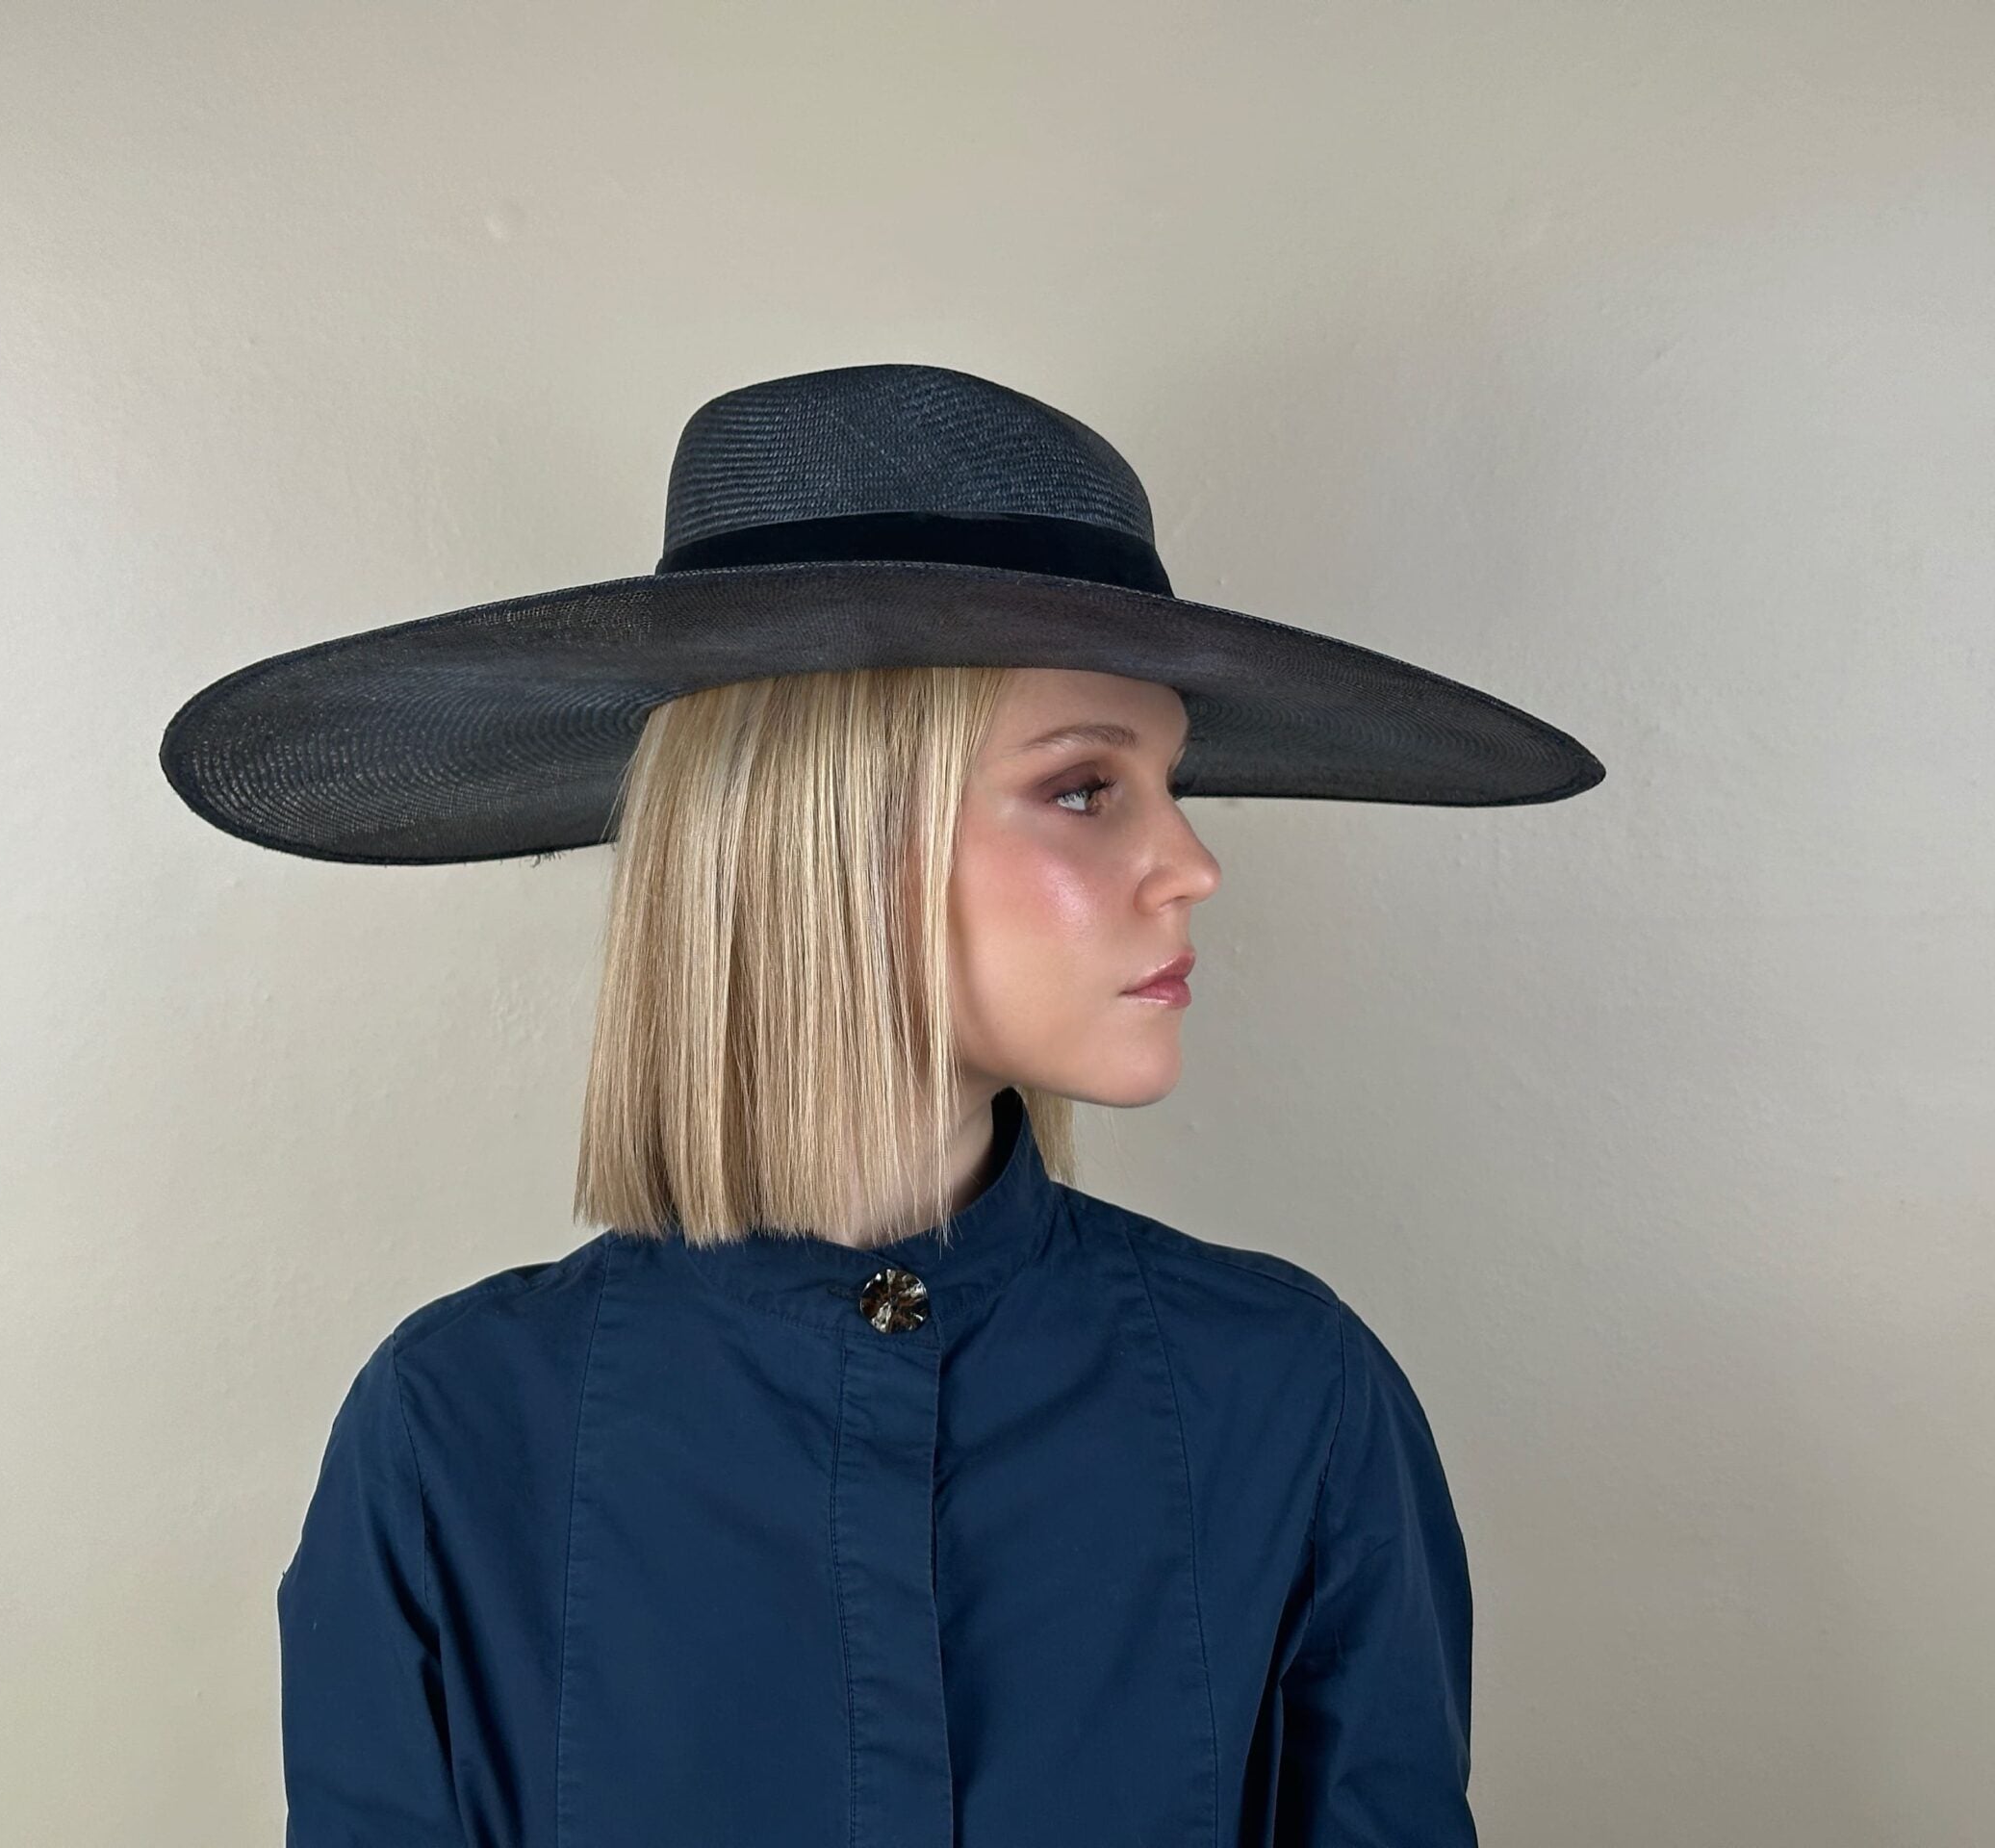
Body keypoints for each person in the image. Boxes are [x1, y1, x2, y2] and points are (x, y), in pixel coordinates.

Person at [159, 361, 1604, 1845]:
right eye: (1089, 788)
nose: (1193, 865)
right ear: (835, 832)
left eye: (1173, 785)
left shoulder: (1285, 1399)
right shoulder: (462, 1432)